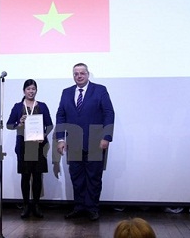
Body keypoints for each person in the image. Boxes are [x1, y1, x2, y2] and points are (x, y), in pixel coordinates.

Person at [55, 63, 115, 221]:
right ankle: (79, 207)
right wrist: (61, 138)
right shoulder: (66, 92)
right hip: (73, 141)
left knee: (94, 178)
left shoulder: (100, 90)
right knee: (77, 177)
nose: (79, 76)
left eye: (82, 73)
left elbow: (109, 113)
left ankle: (92, 208)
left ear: (88, 74)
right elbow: (61, 115)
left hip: (96, 140)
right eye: (76, 73)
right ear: (73, 75)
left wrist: (106, 137)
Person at [7, 79, 53, 219]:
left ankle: (37, 205)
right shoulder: (17, 107)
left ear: (36, 90)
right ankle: (26, 205)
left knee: (38, 176)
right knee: (25, 176)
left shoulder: (43, 106)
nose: (31, 91)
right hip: (23, 146)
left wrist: (44, 135)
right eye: (28, 89)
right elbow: (9, 125)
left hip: (38, 145)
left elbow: (50, 125)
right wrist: (19, 122)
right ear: (24, 91)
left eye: (33, 89)